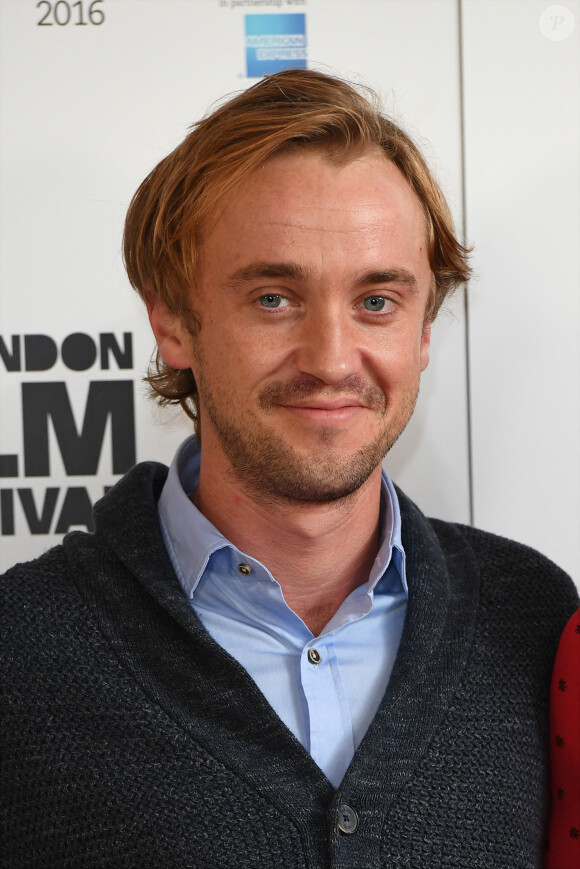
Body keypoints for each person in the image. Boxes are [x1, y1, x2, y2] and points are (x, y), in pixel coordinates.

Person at [1, 69, 577, 869]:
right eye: (274, 298)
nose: (332, 359)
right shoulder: (20, 649)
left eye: (377, 300)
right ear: (172, 322)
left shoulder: (536, 620)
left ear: (423, 333)